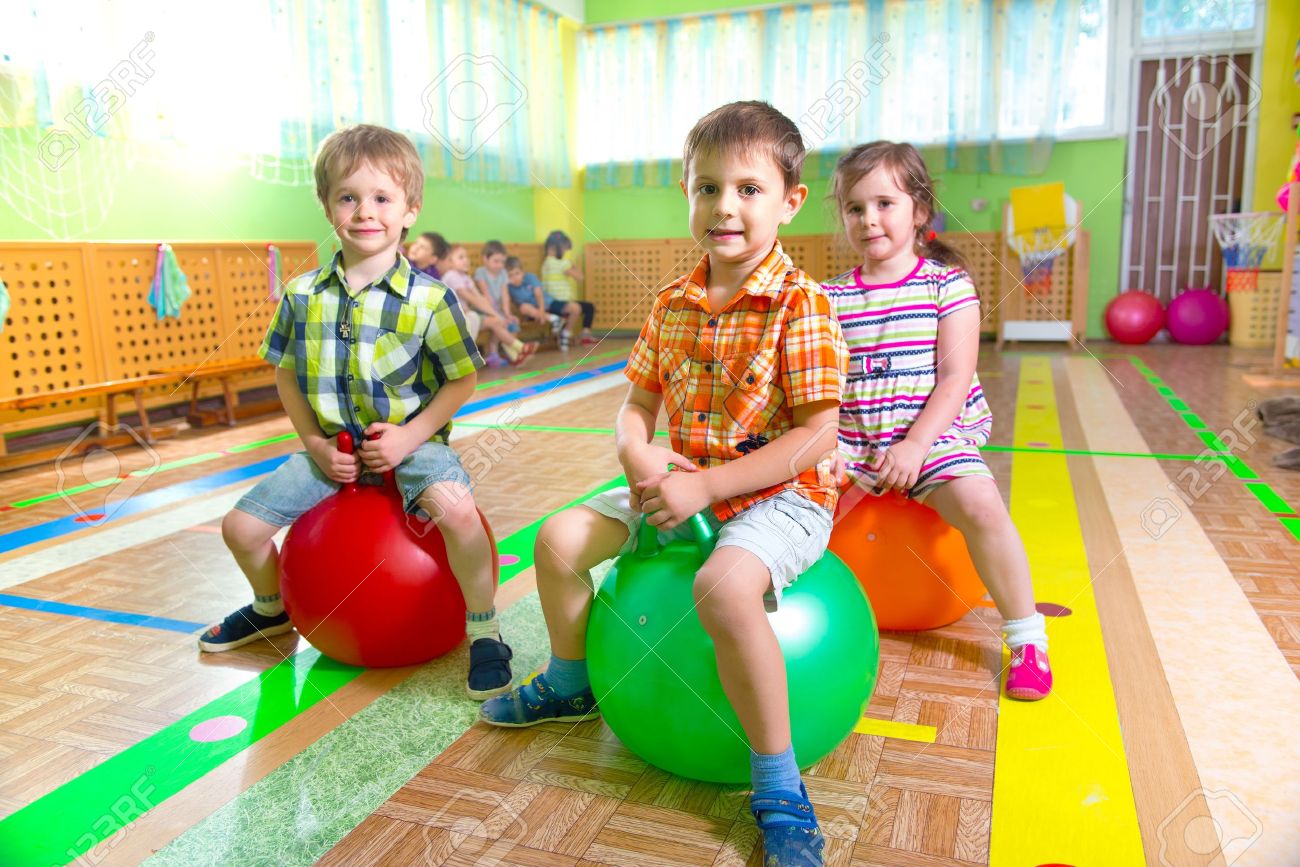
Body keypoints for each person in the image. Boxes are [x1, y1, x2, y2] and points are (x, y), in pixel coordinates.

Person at [481, 102, 846, 867]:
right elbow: (635, 406)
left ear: (791, 201)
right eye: (706, 187)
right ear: (687, 194)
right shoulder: (671, 305)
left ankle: (778, 781)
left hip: (783, 496)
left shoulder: (803, 306)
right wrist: (639, 456)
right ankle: (570, 679)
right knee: (556, 541)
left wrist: (710, 487)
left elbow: (816, 437)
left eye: (749, 189)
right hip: (683, 486)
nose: (725, 207)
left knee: (722, 587)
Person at [198, 124, 514, 701]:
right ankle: (272, 610)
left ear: (409, 210)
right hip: (331, 457)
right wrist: (316, 446)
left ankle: (485, 630)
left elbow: (463, 378)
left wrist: (408, 438)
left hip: (415, 447)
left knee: (460, 516)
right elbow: (287, 374)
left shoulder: (431, 298)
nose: (365, 211)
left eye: (382, 198)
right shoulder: (301, 296)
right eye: (349, 197)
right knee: (239, 529)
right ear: (327, 207)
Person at [822, 140, 1052, 701]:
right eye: (855, 208)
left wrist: (916, 447)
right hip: (854, 441)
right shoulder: (828, 298)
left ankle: (1026, 637)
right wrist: (831, 449)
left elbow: (954, 380)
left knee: (980, 504)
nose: (868, 219)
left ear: (919, 210)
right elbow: (820, 384)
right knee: (783, 503)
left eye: (884, 203)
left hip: (931, 435)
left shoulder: (948, 285)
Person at [440, 243, 537, 367]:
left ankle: (517, 352)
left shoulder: (465, 277)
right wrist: (496, 315)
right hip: (454, 317)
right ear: (449, 262)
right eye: (461, 257)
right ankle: (520, 348)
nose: (466, 260)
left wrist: (498, 315)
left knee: (496, 321)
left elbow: (479, 297)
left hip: (467, 314)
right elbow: (471, 299)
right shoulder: (451, 276)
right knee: (496, 320)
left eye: (466, 257)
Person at [504, 255, 594, 351]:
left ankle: (565, 334)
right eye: (510, 275)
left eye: (517, 273)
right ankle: (554, 319)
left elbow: (539, 295)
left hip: (546, 303)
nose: (515, 278)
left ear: (523, 272)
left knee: (576, 308)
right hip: (530, 311)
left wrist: (542, 312)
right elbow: (507, 301)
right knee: (523, 307)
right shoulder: (507, 286)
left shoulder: (530, 277)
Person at [541, 230, 596, 345]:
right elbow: (580, 277)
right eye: (564, 249)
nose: (565, 252)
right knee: (584, 308)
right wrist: (573, 265)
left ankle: (570, 332)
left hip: (551, 301)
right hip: (559, 302)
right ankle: (567, 333)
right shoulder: (562, 263)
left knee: (587, 307)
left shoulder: (545, 263)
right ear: (555, 248)